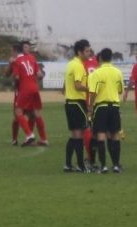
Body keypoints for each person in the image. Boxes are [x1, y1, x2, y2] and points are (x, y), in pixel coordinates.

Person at [88, 48, 124, 174]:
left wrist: (90, 107)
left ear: (101, 58)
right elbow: (120, 90)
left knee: (101, 135)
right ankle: (115, 165)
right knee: (115, 135)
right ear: (111, 58)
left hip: (101, 107)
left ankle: (103, 166)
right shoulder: (118, 72)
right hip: (114, 106)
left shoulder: (96, 74)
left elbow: (93, 92)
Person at [62, 39, 92, 172]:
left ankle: (68, 164)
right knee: (79, 134)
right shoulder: (79, 66)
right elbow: (78, 85)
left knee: (74, 135)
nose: (89, 53)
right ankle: (81, 165)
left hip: (69, 103)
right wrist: (90, 89)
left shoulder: (70, 64)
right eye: (86, 51)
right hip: (77, 103)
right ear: (79, 52)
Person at [11, 44, 47, 146]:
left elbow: (17, 78)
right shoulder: (32, 58)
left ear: (16, 51)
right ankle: (44, 139)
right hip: (34, 89)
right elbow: (40, 75)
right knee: (35, 114)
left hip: (24, 89)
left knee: (18, 112)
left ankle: (29, 135)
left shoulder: (17, 61)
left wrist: (15, 83)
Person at [83, 52, 100, 168]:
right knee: (96, 130)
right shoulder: (97, 64)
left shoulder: (81, 64)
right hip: (98, 99)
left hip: (86, 99)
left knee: (87, 128)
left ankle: (90, 158)